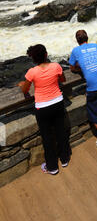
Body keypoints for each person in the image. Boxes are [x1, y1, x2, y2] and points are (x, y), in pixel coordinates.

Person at [18, 44, 70, 175]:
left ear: (33, 59)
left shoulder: (32, 72)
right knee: (60, 131)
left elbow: (25, 90)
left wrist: (21, 85)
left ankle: (52, 167)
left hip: (43, 107)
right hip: (58, 102)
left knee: (47, 137)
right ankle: (64, 159)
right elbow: (62, 79)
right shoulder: (56, 66)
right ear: (46, 55)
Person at [69, 30, 97, 152]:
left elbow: (72, 68)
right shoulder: (95, 46)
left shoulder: (75, 51)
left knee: (94, 113)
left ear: (77, 40)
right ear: (87, 38)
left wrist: (80, 67)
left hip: (94, 86)